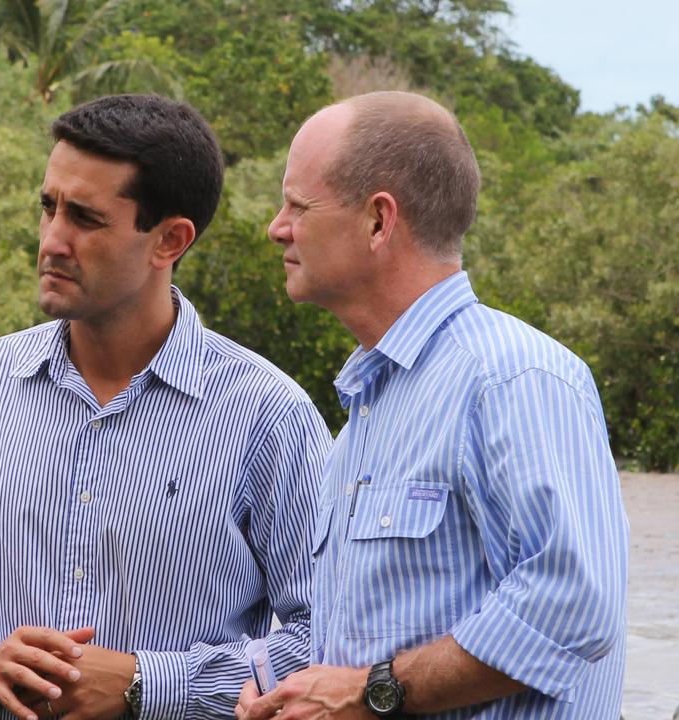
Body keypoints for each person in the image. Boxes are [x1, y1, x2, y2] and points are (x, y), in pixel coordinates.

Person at [0, 94, 332, 720]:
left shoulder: (267, 415)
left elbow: (326, 637)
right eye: (47, 207)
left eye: (86, 218)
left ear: (168, 240)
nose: (53, 241)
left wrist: (148, 685)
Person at [237, 91, 629, 720]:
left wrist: (372, 691)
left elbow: (572, 605)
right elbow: (350, 654)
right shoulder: (359, 425)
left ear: (377, 220)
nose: (276, 227)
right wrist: (274, 692)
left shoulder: (513, 378)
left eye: (297, 205)